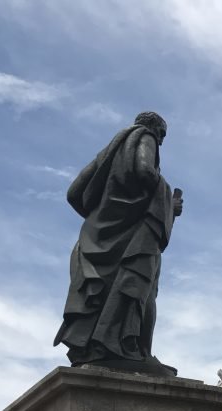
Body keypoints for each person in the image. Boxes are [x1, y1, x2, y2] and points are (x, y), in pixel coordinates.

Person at [54, 111, 183, 377]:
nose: (160, 142)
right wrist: (168, 202)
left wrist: (105, 214)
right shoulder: (144, 136)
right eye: (162, 136)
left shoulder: (106, 155)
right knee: (140, 290)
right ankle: (133, 351)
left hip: (96, 236)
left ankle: (100, 349)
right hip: (134, 239)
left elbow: (73, 193)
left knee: (107, 295)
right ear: (155, 129)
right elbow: (145, 171)